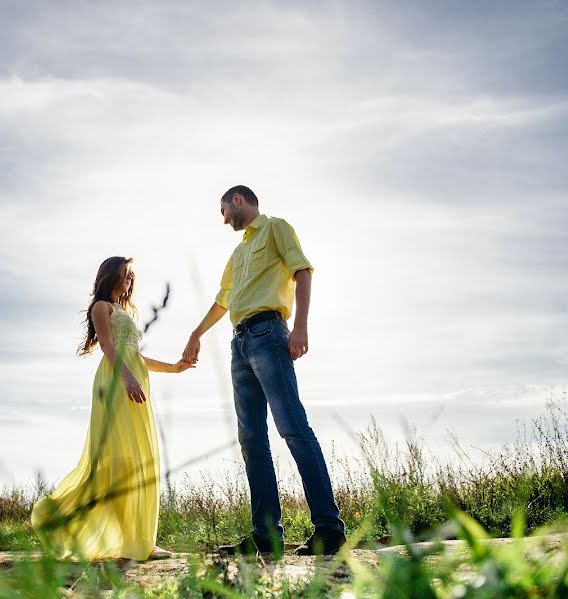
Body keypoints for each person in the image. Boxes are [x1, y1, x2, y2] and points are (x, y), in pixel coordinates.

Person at [182, 185, 347, 556]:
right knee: (251, 440)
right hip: (239, 344)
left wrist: (300, 327)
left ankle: (328, 529)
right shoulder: (238, 253)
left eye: (224, 211)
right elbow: (223, 300)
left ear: (237, 200)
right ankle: (266, 535)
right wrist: (195, 334)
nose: (225, 220)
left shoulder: (276, 228)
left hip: (269, 333)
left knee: (292, 427)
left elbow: (302, 272)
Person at [32, 256, 193, 561]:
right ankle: (65, 520)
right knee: (116, 460)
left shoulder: (125, 311)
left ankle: (142, 542)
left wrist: (175, 368)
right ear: (109, 277)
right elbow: (108, 346)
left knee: (140, 460)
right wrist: (129, 379)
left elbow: (136, 355)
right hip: (117, 383)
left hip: (134, 383)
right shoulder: (101, 308)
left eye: (132, 277)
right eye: (124, 275)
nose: (129, 281)